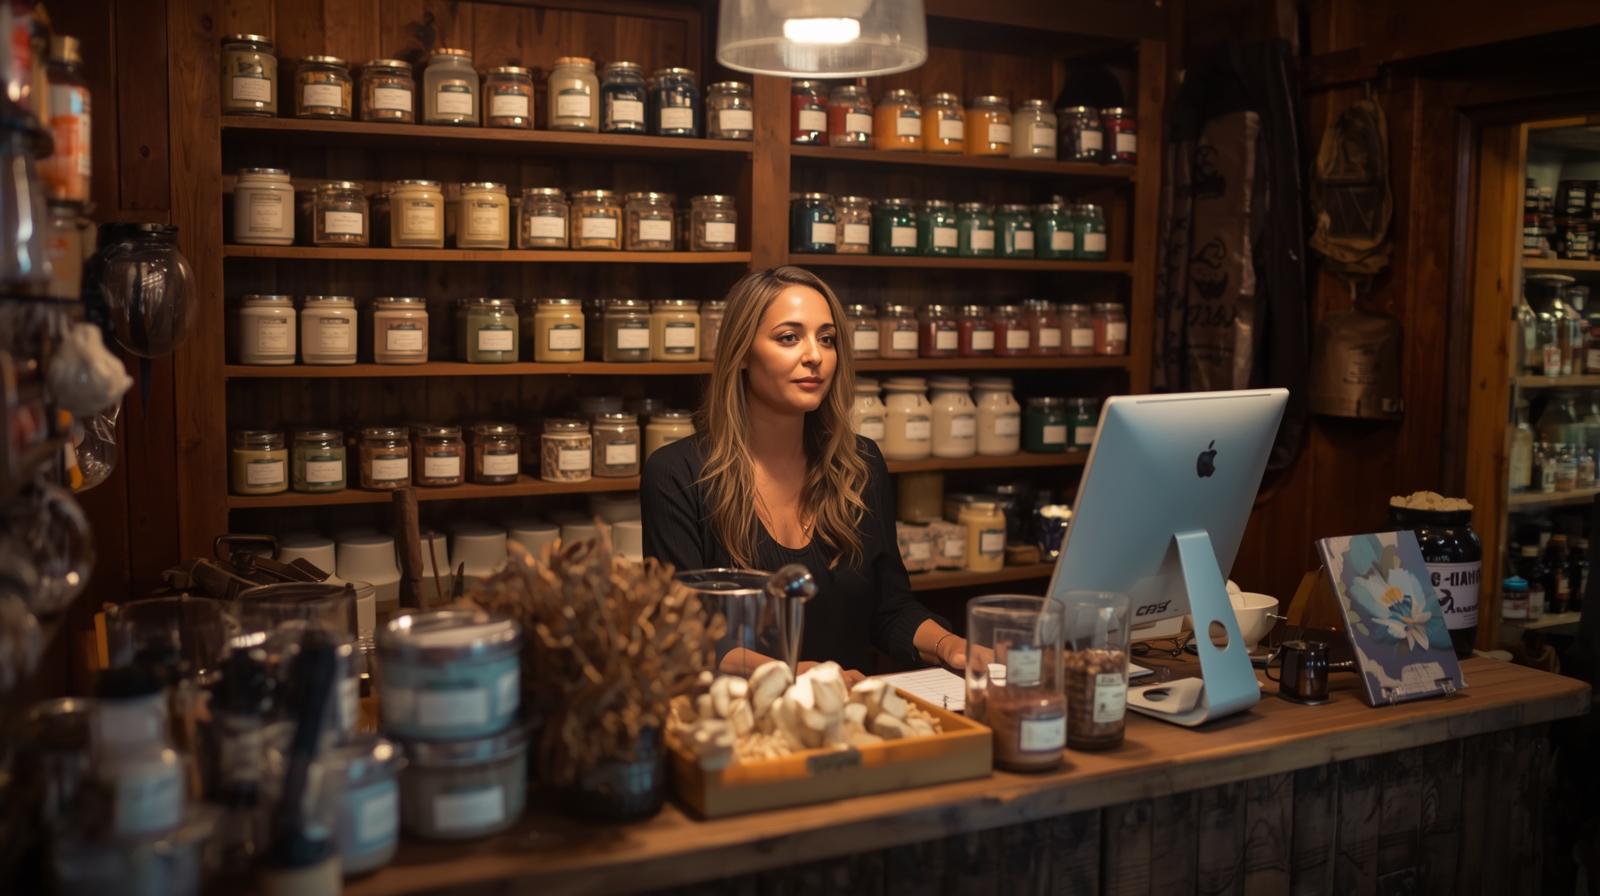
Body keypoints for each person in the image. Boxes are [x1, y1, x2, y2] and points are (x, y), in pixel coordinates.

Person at [641, 266, 974, 683]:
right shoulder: (677, 474)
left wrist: (952, 647)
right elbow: (683, 632)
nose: (815, 355)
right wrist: (786, 674)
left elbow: (890, 610)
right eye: (789, 337)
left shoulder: (860, 465)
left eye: (827, 339)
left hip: (845, 724)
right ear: (742, 353)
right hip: (737, 727)